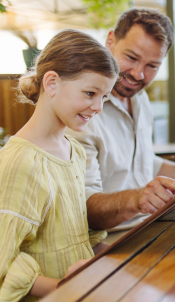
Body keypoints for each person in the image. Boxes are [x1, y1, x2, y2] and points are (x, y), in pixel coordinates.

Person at [67, 8, 175, 232]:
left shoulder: (139, 98)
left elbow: (143, 164)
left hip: (147, 226)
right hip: (106, 242)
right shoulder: (81, 108)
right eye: (131, 58)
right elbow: (83, 208)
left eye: (152, 66)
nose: (138, 74)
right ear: (110, 41)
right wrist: (137, 199)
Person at [0, 30, 119, 300]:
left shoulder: (74, 151)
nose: (98, 107)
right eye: (90, 93)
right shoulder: (20, 162)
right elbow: (3, 264)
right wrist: (64, 289)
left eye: (105, 97)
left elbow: (75, 237)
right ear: (51, 83)